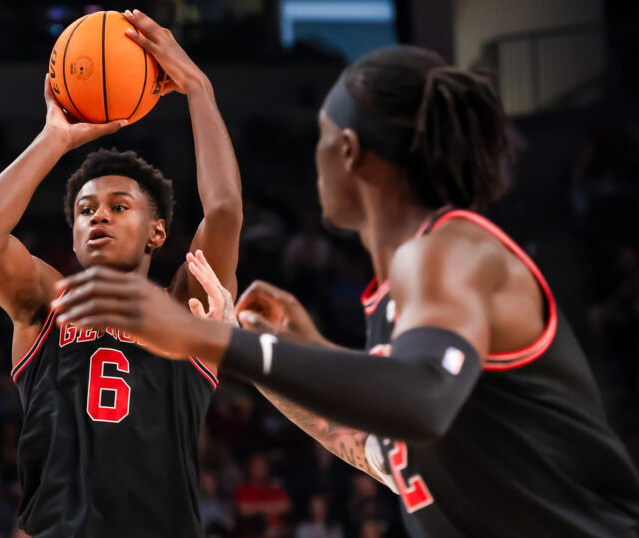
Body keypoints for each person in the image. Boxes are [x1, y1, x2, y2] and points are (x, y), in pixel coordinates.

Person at [52, 45, 639, 537]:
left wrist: (206, 338)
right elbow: (380, 446)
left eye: (323, 137)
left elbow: (423, 398)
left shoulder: (450, 251)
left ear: (351, 152)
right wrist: (266, 351)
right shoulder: (405, 297)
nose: (316, 155)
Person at [0, 9, 242, 537]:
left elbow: (223, 212)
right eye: (86, 210)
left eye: (118, 206)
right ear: (72, 235)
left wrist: (199, 88)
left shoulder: (186, 307)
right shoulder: (47, 304)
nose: (99, 216)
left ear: (157, 233)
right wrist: (54, 139)